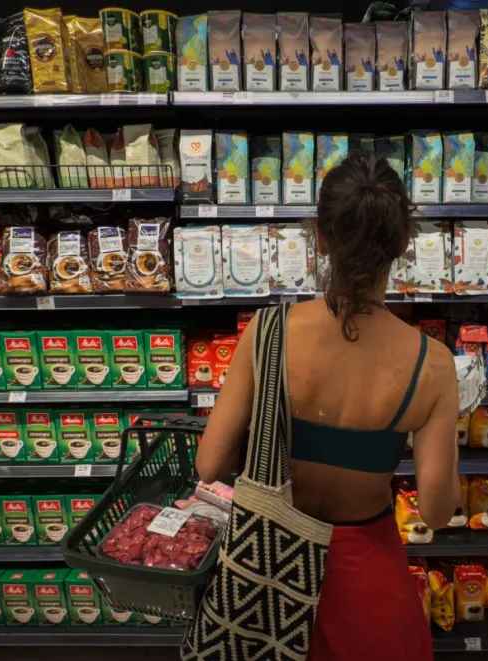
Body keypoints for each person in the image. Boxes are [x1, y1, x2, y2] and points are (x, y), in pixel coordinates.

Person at [196, 151, 460, 661]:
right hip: (369, 585)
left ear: (318, 236)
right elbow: (436, 510)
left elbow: (209, 464)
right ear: (403, 243)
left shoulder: (267, 333)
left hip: (267, 581)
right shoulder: (433, 364)